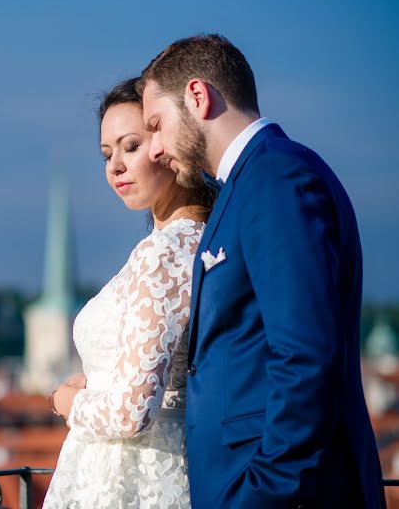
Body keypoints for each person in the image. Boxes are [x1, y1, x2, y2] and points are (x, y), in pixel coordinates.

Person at [138, 33, 385, 509]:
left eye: (157, 124)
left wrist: (263, 493)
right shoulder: (252, 182)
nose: (155, 149)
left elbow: (306, 356)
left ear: (197, 95)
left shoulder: (274, 178)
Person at [43, 77, 213, 509]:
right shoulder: (196, 240)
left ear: (166, 145)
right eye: (106, 153)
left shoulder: (165, 251)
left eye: (130, 146)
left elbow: (131, 412)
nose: (114, 166)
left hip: (130, 478)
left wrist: (68, 401)